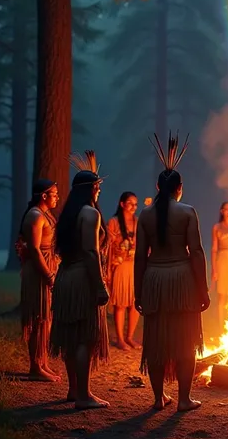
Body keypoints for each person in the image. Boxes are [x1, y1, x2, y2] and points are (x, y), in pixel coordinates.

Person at [134, 133, 210, 412]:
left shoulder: (145, 215)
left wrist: (137, 291)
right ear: (180, 188)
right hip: (181, 279)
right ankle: (183, 399)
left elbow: (140, 256)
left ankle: (158, 398)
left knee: (156, 340)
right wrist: (203, 290)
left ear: (157, 187)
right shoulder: (188, 212)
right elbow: (197, 253)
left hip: (154, 279)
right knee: (184, 340)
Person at [50, 151, 110, 410]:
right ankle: (84, 396)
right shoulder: (90, 214)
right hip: (82, 279)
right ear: (91, 189)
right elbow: (90, 252)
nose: (99, 192)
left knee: (72, 336)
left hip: (65, 277)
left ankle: (74, 390)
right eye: (97, 188)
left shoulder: (68, 214)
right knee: (85, 336)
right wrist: (100, 286)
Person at [17, 179, 60, 381]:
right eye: (54, 193)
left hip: (47, 268)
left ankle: (42, 362)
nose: (57, 197)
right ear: (43, 196)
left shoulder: (45, 214)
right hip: (38, 272)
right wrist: (48, 275)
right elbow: (34, 249)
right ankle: (35, 366)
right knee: (38, 318)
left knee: (46, 319)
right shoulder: (35, 216)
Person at [108, 192, 140, 350]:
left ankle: (130, 337)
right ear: (122, 204)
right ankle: (120, 338)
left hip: (134, 266)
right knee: (120, 303)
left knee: (135, 303)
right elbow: (107, 244)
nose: (133, 207)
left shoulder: (137, 222)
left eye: (136, 204)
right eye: (130, 203)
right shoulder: (113, 222)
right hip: (120, 266)